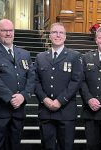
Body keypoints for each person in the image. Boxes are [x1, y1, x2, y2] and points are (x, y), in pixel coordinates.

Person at [0, 19, 35, 150]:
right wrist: (10, 97)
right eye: (4, 30)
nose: (8, 33)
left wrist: (24, 96)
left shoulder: (24, 54)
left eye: (11, 30)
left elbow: (32, 78)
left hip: (17, 112)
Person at [34, 22, 83, 150]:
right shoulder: (40, 57)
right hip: (46, 111)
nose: (58, 35)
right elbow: (35, 81)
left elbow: (76, 81)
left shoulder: (74, 56)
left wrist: (60, 101)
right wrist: (45, 99)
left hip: (66, 111)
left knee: (66, 146)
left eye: (61, 33)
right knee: (47, 146)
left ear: (65, 36)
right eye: (54, 32)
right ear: (49, 36)